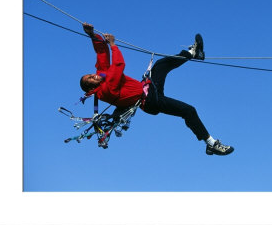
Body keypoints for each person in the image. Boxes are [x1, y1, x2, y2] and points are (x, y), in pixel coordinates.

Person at [80, 23, 234, 156]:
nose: (93, 76)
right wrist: (113, 45)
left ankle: (193, 53)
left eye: (90, 75)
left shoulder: (101, 75)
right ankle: (211, 144)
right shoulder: (105, 90)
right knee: (189, 110)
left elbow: (101, 53)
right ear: (92, 87)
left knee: (160, 65)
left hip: (148, 88)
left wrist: (92, 34)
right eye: (90, 79)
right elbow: (118, 65)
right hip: (150, 101)